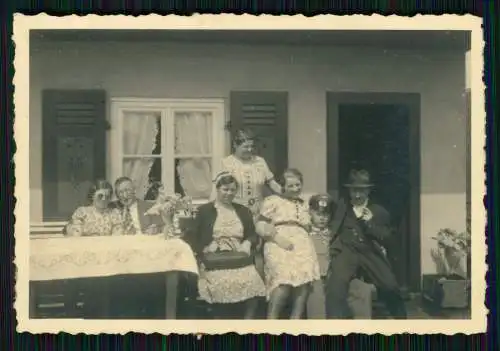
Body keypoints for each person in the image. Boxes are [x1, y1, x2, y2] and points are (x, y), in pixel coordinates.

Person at [325, 169, 407, 319]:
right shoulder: (342, 208)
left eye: (361, 191)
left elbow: (388, 239)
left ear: (368, 191)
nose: (357, 195)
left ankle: (403, 324)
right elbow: (332, 229)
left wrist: (369, 224)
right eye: (354, 191)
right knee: (336, 286)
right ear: (349, 191)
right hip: (347, 250)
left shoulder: (378, 211)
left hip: (369, 252)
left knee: (390, 285)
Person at [188, 171, 266, 319]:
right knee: (218, 286)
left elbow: (253, 233)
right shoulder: (205, 211)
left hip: (240, 258)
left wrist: (248, 242)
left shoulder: (243, 211)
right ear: (217, 189)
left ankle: (247, 325)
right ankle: (220, 325)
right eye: (225, 189)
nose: (229, 193)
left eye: (232, 190)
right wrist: (205, 247)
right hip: (214, 260)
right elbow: (191, 235)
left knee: (253, 283)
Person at [255, 169, 320, 319]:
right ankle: (272, 321)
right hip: (278, 242)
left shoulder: (303, 204)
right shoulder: (272, 201)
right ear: (282, 186)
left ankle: (294, 322)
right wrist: (277, 238)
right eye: (291, 186)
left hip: (302, 244)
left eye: (298, 185)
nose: (296, 189)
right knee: (282, 281)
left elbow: (310, 224)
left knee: (304, 282)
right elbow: (260, 225)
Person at [306, 194, 377, 319]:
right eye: (318, 214)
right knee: (317, 296)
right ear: (310, 213)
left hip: (339, 278)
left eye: (326, 214)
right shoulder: (304, 235)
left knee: (363, 290)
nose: (322, 218)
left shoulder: (337, 233)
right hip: (315, 279)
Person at [217, 129, 282, 217]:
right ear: (235, 145)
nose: (250, 149)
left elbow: (272, 184)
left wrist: (288, 194)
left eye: (252, 146)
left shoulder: (260, 161)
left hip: (259, 211)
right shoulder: (226, 163)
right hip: (235, 211)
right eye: (246, 147)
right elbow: (218, 190)